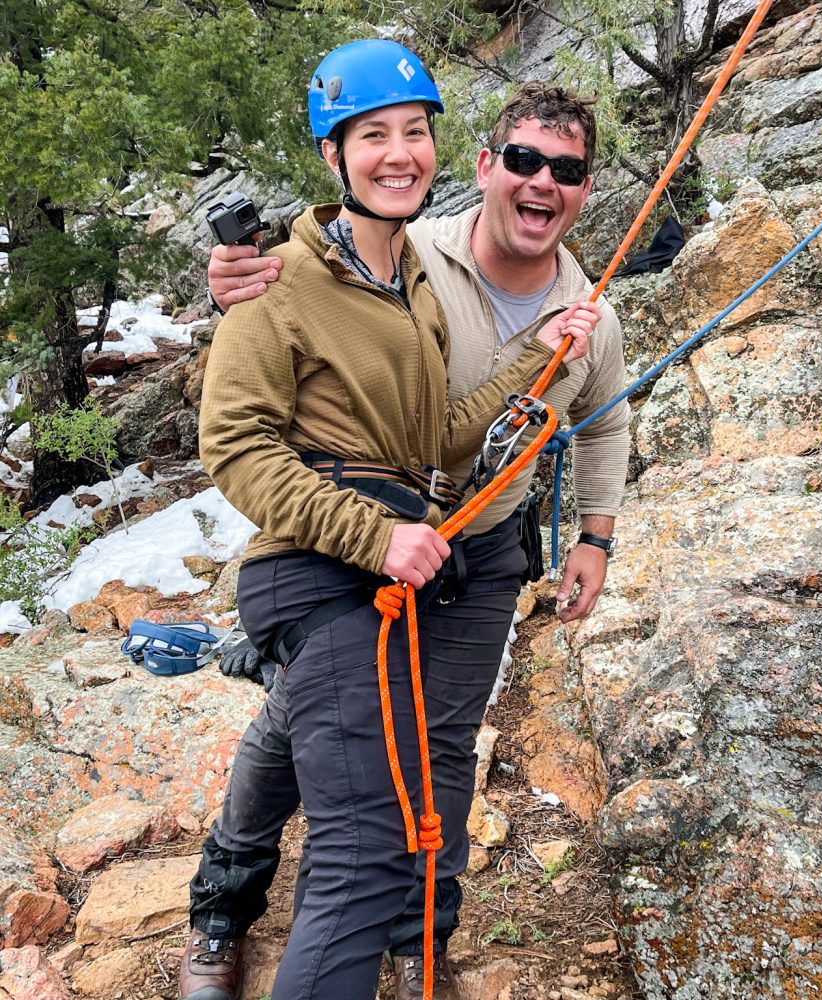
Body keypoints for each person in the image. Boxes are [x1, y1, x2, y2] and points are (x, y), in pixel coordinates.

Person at [191, 40, 599, 1000]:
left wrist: (532, 359)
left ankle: (406, 940)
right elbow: (237, 447)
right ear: (333, 157)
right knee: (363, 842)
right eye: (372, 135)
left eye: (414, 131)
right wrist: (376, 536)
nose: (398, 152)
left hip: (405, 563)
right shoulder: (275, 279)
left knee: (383, 816)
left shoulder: (410, 275)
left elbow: (439, 442)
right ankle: (223, 915)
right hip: (327, 568)